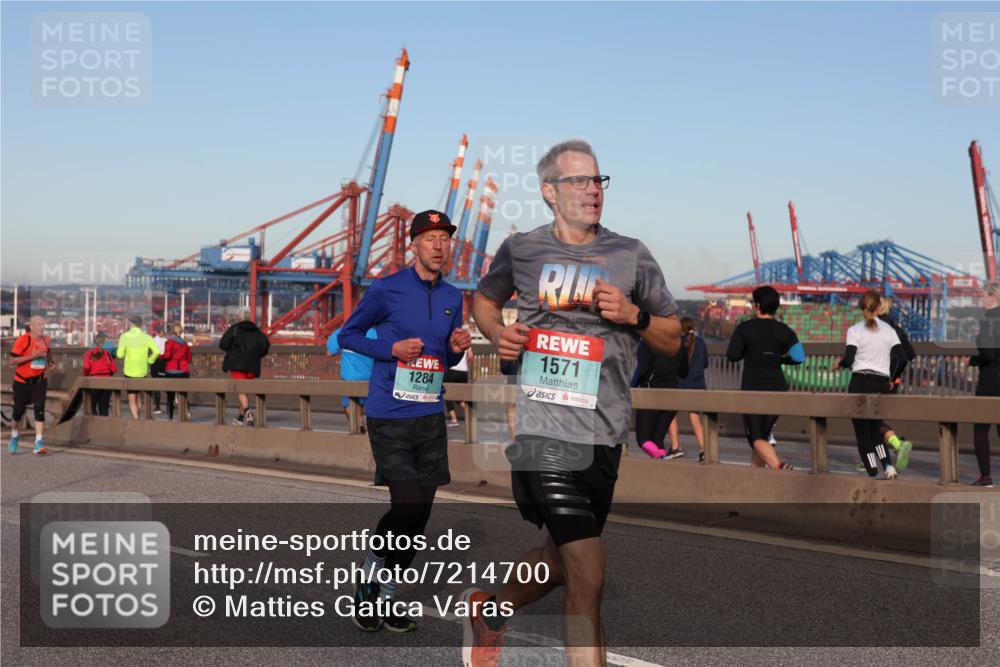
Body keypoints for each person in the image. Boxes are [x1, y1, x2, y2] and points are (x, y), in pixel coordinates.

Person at [469, 140, 681, 667]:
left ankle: (491, 609)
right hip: (543, 436)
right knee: (589, 571)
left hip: (604, 436)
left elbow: (675, 338)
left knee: (561, 562)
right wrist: (498, 334)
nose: (592, 191)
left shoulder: (630, 253)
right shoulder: (521, 250)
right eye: (579, 182)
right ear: (549, 191)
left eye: (598, 181)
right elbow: (484, 300)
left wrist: (635, 316)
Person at [338, 209, 471, 633]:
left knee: (420, 518)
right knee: (407, 506)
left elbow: (444, 357)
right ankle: (369, 577)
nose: (438, 245)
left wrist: (454, 348)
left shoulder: (454, 297)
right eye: (429, 237)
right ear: (412, 245)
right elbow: (349, 335)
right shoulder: (386, 290)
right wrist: (391, 350)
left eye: (444, 238)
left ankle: (388, 598)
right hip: (390, 414)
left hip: (429, 413)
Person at [726, 285, 804, 469]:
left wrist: (749, 352)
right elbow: (799, 357)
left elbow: (732, 356)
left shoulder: (744, 329)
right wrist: (779, 359)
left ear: (757, 305)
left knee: (756, 438)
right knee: (762, 434)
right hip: (777, 388)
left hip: (753, 387)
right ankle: (757, 480)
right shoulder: (785, 330)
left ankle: (778, 466)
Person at [836, 291, 904, 480]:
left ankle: (873, 473)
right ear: (878, 306)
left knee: (862, 434)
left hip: (859, 383)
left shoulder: (855, 330)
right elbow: (902, 357)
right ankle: (889, 467)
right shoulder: (889, 331)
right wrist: (893, 376)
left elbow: (849, 358)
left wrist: (839, 364)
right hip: (881, 383)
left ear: (861, 307)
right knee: (876, 430)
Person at [853, 296, 915, 472]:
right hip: (891, 380)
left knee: (868, 420)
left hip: (873, 378)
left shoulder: (871, 326)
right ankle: (873, 458)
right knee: (875, 417)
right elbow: (909, 354)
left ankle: (894, 446)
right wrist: (894, 374)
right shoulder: (896, 328)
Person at [633, 338, 688, 459]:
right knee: (657, 438)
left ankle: (660, 458)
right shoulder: (678, 344)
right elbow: (684, 372)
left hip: (651, 393)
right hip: (673, 394)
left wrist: (632, 385)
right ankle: (662, 460)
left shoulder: (647, 343)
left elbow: (642, 370)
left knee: (643, 439)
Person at [7, 315, 55, 455]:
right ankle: (15, 435)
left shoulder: (46, 340)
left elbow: (48, 352)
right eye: (39, 324)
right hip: (22, 382)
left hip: (39, 381)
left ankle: (39, 443)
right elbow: (12, 361)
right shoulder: (23, 340)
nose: (42, 327)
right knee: (17, 412)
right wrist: (32, 357)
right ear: (31, 326)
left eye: (43, 324)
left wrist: (51, 363)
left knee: (39, 409)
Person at [969, 281, 1000, 487]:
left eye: (983, 296)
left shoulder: (990, 319)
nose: (982, 300)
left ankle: (985, 476)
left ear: (992, 297)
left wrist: (974, 358)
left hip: (991, 380)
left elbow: (988, 353)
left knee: (980, 429)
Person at [219, 311, 270, 426]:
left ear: (239, 318)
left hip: (237, 364)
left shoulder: (235, 329)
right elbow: (265, 345)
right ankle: (241, 418)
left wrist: (232, 350)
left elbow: (223, 344)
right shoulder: (257, 331)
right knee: (244, 391)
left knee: (240, 389)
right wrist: (257, 355)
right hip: (252, 365)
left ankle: (247, 411)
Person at [327, 325, 377, 429]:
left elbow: (330, 353)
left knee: (349, 405)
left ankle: (358, 427)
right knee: (362, 406)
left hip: (349, 378)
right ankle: (360, 426)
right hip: (369, 379)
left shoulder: (343, 332)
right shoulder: (375, 333)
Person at [677, 316, 708, 462]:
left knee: (669, 414)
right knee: (695, 418)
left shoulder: (679, 342)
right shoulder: (701, 342)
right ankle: (703, 449)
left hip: (682, 385)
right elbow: (706, 363)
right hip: (699, 385)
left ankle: (675, 446)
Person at [116, 315, 160, 420]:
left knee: (132, 399)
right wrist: (150, 360)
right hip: (142, 371)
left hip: (130, 371)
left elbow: (119, 355)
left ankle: (136, 421)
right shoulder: (147, 337)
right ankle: (138, 419)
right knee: (138, 398)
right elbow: (157, 351)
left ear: (131, 323)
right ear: (140, 324)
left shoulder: (125, 337)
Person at [162, 323, 192, 420]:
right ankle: (187, 414)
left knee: (170, 396)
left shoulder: (169, 342)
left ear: (173, 331)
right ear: (181, 332)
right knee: (184, 394)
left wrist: (160, 356)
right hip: (184, 371)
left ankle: (170, 417)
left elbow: (167, 356)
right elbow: (189, 359)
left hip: (171, 371)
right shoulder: (185, 344)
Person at [83, 333, 117, 416]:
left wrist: (87, 376)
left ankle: (95, 424)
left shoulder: (88, 354)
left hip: (94, 381)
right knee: (104, 406)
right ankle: (104, 425)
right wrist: (108, 375)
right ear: (104, 343)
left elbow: (86, 367)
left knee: (92, 405)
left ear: (94, 343)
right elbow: (113, 368)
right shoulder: (107, 354)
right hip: (107, 382)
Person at [445, 343, 472, 427]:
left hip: (452, 370)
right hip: (464, 372)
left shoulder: (451, 342)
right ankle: (470, 414)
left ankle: (454, 420)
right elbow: (471, 356)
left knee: (447, 394)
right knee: (460, 396)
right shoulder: (466, 342)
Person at [150, 325, 168, 414]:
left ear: (156, 332)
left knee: (156, 386)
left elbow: (152, 352)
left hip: (156, 362)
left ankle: (157, 407)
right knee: (167, 384)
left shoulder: (154, 340)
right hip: (165, 363)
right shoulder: (166, 340)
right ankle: (170, 404)